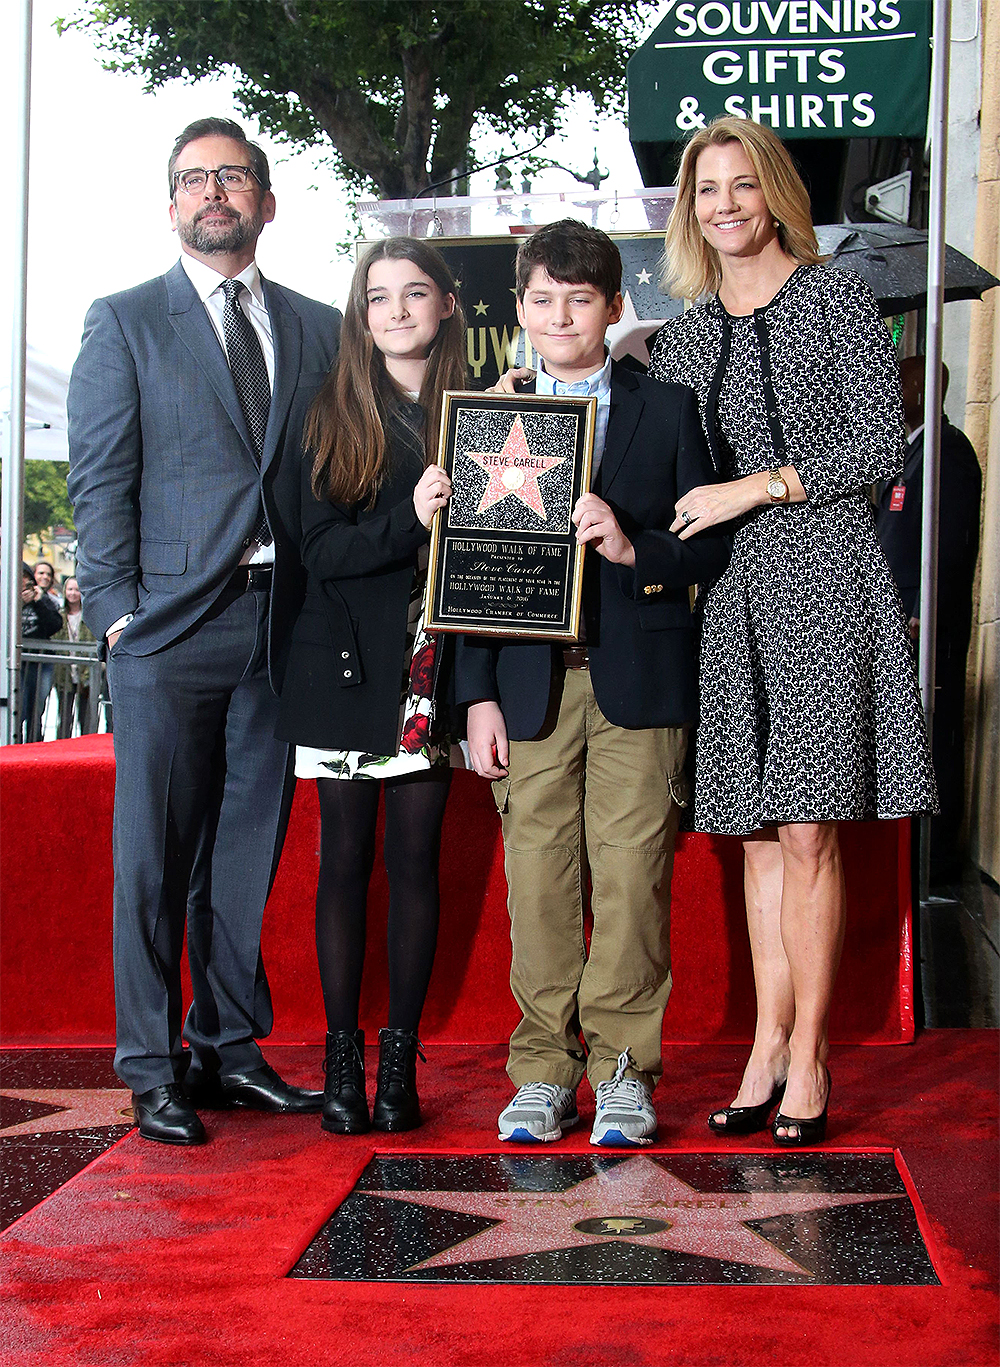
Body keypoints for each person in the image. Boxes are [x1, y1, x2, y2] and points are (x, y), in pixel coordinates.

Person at [648, 116, 937, 1145]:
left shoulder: (831, 297)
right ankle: (764, 1045)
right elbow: (658, 474)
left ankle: (809, 1050)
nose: (724, 204)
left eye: (741, 184)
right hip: (729, 597)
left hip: (824, 572)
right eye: (706, 189)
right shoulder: (679, 335)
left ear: (774, 193)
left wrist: (753, 488)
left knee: (809, 829)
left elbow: (876, 443)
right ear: (690, 208)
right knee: (760, 838)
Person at [67, 116, 342, 1146]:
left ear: (267, 200)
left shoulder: (318, 324)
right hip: (168, 630)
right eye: (193, 179)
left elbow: (342, 465)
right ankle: (151, 1067)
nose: (213, 192)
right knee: (152, 859)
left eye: (233, 175)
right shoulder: (125, 319)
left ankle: (228, 1048)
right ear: (171, 204)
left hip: (282, 623)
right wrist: (118, 611)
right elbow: (100, 478)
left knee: (243, 854)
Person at [456, 220, 730, 1148]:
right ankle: (541, 1067)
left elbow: (711, 538)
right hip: (527, 683)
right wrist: (477, 694)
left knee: (631, 875)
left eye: (582, 299)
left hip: (639, 673)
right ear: (521, 309)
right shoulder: (491, 416)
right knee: (535, 877)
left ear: (616, 310)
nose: (561, 315)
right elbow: (470, 576)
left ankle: (622, 1069)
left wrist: (631, 548)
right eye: (543, 299)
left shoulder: (670, 407)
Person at [276, 239, 464, 1136]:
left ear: (448, 305)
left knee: (416, 864)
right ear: (360, 313)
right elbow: (319, 554)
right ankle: (341, 1061)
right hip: (347, 666)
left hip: (431, 668)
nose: (394, 310)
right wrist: (412, 518)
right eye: (377, 296)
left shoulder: (479, 413)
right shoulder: (331, 411)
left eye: (413, 293)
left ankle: (399, 1063)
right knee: (344, 862)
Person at [875, 357, 983, 883]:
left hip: (926, 626)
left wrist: (920, 611)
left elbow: (949, 544)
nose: (887, 389)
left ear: (922, 389)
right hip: (895, 618)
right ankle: (908, 849)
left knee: (934, 735)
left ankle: (935, 856)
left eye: (898, 382)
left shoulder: (948, 452)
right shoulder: (907, 452)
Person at [19, 563, 62, 741]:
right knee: (19, 707)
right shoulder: (8, 597)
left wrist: (37, 602)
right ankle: (15, 744)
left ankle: (34, 742)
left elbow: (55, 624)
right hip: (17, 662)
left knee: (37, 708)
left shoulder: (43, 599)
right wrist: (20, 603)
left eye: (27, 581)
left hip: (41, 662)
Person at [53, 578, 99, 737]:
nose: (73, 593)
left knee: (86, 717)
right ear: (65, 592)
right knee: (64, 716)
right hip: (64, 672)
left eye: (77, 590)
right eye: (70, 589)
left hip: (86, 671)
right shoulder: (58, 616)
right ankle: (61, 750)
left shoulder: (90, 616)